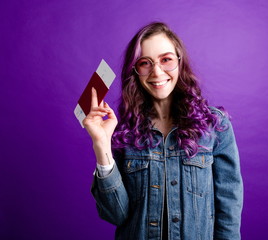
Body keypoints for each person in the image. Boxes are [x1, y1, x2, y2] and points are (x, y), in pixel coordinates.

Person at [83, 22, 243, 240]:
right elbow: (115, 215)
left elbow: (228, 208)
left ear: (179, 62)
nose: (157, 72)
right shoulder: (124, 133)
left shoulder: (214, 125)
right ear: (135, 71)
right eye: (145, 63)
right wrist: (101, 144)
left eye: (166, 60)